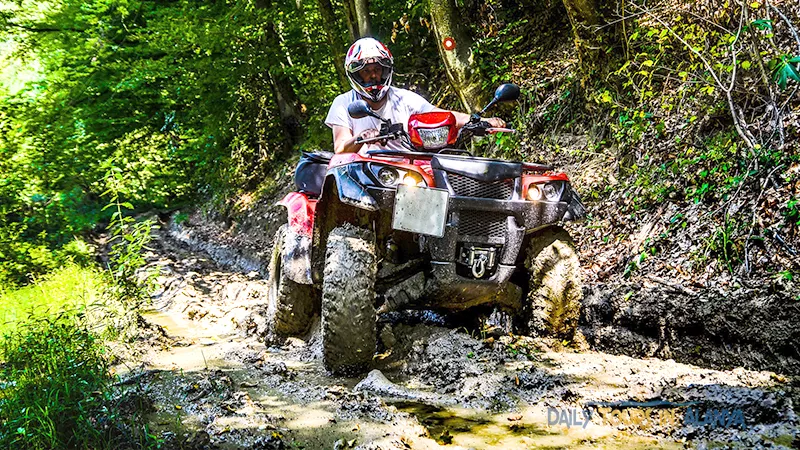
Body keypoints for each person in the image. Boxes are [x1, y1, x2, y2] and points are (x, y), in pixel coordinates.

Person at [324, 37, 506, 154]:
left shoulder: (403, 98)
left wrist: (479, 121)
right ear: (356, 75)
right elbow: (340, 148)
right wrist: (363, 137)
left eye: (377, 69)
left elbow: (440, 114)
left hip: (410, 166)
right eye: (366, 71)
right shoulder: (343, 103)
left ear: (386, 70)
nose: (373, 75)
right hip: (365, 172)